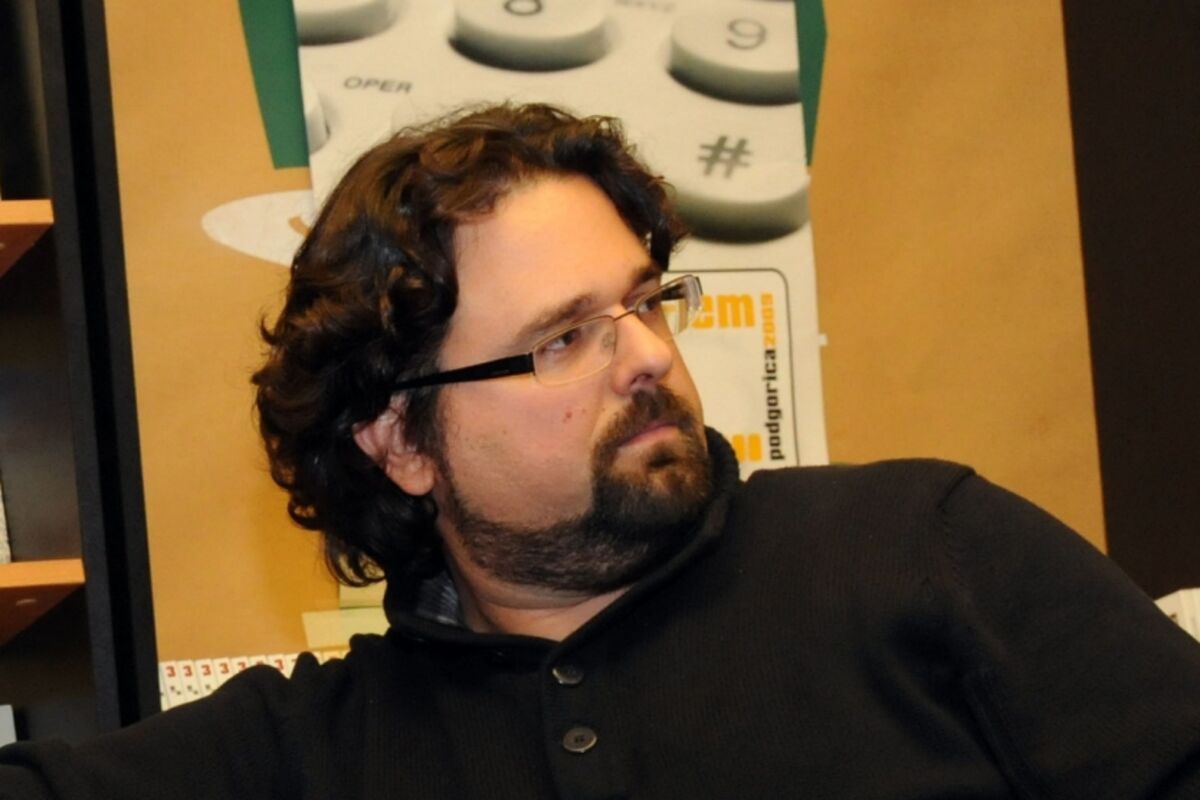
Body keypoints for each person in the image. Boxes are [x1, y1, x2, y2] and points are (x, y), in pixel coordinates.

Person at [3, 102, 1200, 798]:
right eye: (561, 338)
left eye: (643, 300)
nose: (645, 355)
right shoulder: (315, 748)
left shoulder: (922, 548)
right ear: (402, 439)